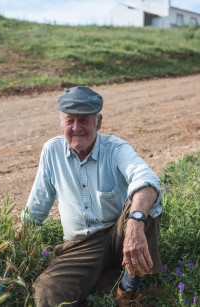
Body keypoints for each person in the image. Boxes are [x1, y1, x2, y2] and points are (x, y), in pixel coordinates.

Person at [21, 85, 162, 307]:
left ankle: (129, 289)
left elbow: (146, 178)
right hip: (81, 246)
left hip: (118, 233)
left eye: (84, 120)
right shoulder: (52, 151)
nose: (76, 128)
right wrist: (18, 237)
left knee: (144, 203)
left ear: (98, 122)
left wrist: (135, 224)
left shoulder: (115, 149)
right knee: (47, 293)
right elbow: (37, 205)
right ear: (62, 123)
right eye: (70, 120)